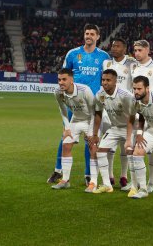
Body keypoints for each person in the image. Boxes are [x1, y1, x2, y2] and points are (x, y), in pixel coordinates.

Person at [47, 24, 110, 186]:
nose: (88, 36)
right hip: (73, 103)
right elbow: (64, 75)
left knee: (91, 140)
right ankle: (58, 170)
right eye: (86, 33)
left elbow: (108, 79)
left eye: (92, 34)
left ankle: (89, 174)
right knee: (66, 136)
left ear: (97, 37)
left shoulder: (104, 57)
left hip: (93, 104)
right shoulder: (73, 54)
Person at [86, 69, 137, 194]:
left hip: (130, 127)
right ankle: (107, 185)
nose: (105, 82)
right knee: (100, 151)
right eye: (103, 80)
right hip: (115, 128)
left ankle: (135, 184)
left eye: (108, 80)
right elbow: (98, 114)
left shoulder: (126, 96)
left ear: (115, 81)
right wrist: (95, 134)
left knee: (131, 153)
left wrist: (129, 138)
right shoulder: (100, 94)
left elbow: (132, 117)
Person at [130, 40, 153, 193]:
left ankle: (151, 182)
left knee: (151, 149)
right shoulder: (133, 67)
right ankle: (135, 185)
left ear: (147, 50)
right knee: (135, 148)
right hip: (138, 110)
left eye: (139, 50)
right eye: (135, 50)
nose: (137, 53)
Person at [51, 68, 95, 190]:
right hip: (75, 120)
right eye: (59, 79)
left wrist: (92, 132)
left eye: (64, 79)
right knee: (66, 145)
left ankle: (93, 181)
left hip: (89, 120)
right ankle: (65, 180)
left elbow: (94, 112)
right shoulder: (58, 92)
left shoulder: (84, 90)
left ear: (71, 80)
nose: (61, 82)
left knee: (93, 147)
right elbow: (63, 110)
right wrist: (67, 128)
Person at [102, 38, 136, 190]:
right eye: (113, 45)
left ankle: (124, 175)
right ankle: (109, 175)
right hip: (109, 108)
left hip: (125, 107)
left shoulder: (131, 64)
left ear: (125, 49)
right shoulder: (106, 63)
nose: (114, 48)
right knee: (109, 146)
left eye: (118, 46)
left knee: (125, 146)